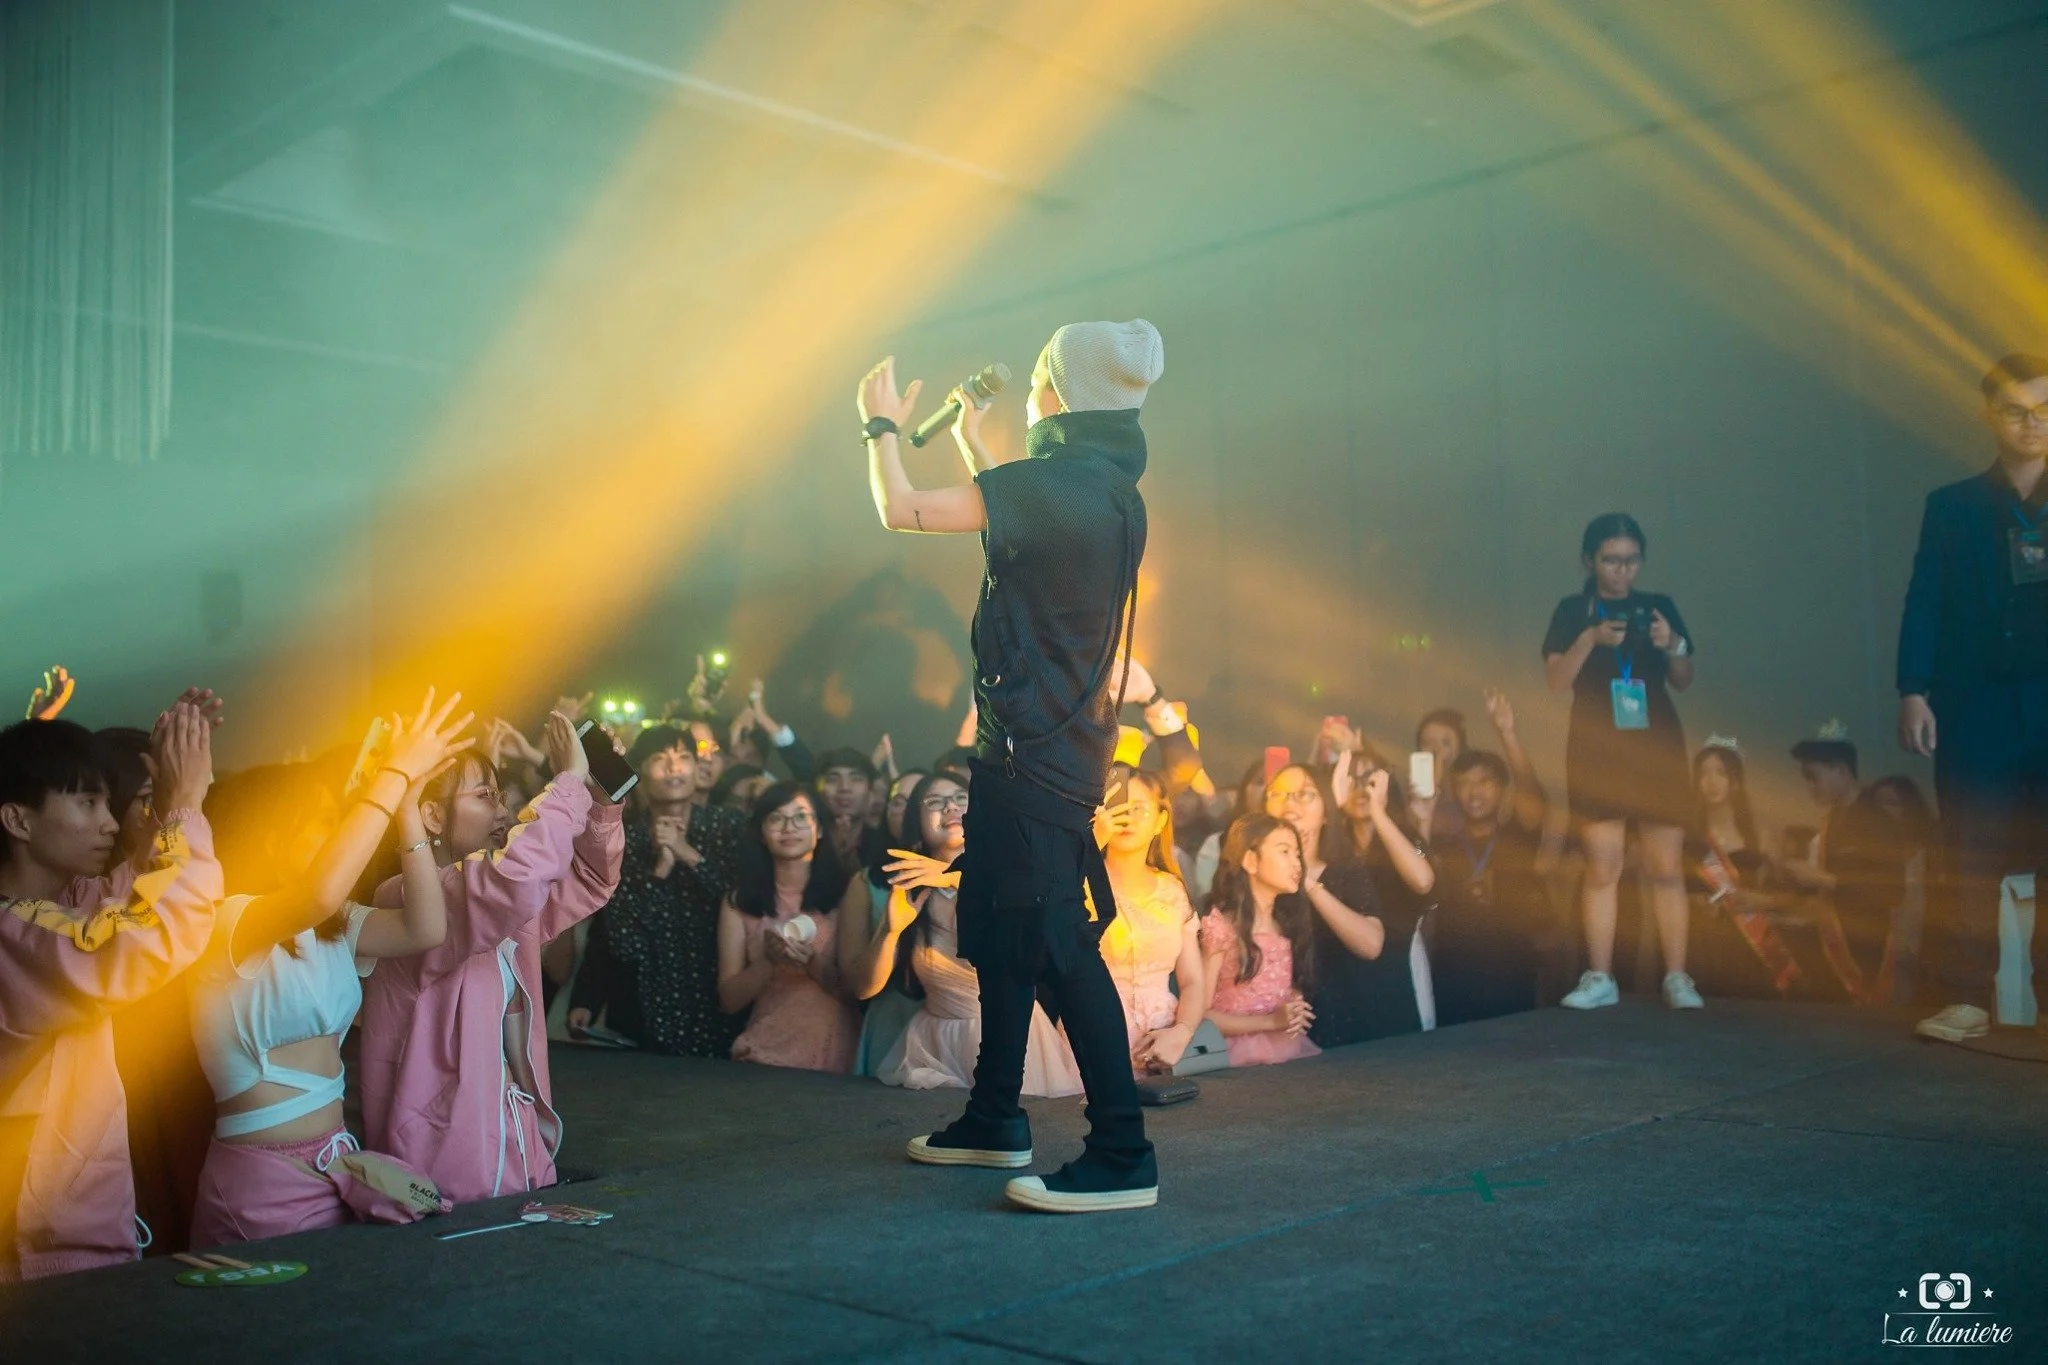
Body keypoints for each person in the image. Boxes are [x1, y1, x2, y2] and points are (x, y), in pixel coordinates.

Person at [858, 318, 1163, 1213]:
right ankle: (996, 1117)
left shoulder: (1058, 487)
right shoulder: (1107, 489)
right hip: (1040, 749)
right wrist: (971, 432)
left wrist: (877, 425)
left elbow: (903, 509)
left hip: (1033, 756)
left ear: (1058, 395)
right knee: (995, 928)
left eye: (1039, 381)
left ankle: (1121, 1151)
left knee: (1061, 949)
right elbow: (1020, 503)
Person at [185, 691, 470, 1248]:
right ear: (269, 833)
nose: (338, 832)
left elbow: (426, 929)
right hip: (258, 1181)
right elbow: (318, 891)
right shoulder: (225, 922)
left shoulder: (332, 922)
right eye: (321, 821)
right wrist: (393, 772)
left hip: (337, 1164)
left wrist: (407, 806)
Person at [356, 711, 623, 1205]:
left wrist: (599, 801)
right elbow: (516, 881)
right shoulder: (406, 898)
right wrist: (566, 783)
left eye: (501, 795)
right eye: (484, 797)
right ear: (431, 816)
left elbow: (588, 878)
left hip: (515, 1146)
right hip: (441, 1165)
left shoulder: (491, 896)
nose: (502, 811)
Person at [0, 701, 220, 1281]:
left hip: (64, 1243)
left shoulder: (62, 906)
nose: (111, 822)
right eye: (87, 803)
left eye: (113, 802)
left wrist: (170, 795)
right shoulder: (14, 932)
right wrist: (183, 808)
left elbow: (137, 894)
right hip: (33, 1260)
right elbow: (143, 935)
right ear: (18, 821)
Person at [1897, 353, 2048, 1043]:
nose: (2033, 423)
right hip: (1973, 703)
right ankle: (1963, 997)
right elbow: (1923, 600)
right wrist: (1913, 690)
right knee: (1968, 852)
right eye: (2017, 410)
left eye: (2045, 409)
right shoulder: (1951, 504)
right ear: (1991, 414)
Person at [1544, 512, 1703, 1012]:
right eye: (1612, 561)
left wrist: (1671, 644)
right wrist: (1591, 638)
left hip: (1655, 746)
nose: (1622, 572)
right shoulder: (1573, 610)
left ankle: (1678, 976)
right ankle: (1601, 975)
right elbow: (1555, 680)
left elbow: (1683, 678)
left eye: (1632, 561)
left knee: (1666, 865)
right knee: (1602, 864)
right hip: (1597, 747)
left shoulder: (1659, 607)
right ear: (1590, 560)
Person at [849, 773, 1080, 1094]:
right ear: (917, 823)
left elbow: (1040, 951)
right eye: (935, 802)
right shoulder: (911, 891)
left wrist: (955, 877)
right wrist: (890, 932)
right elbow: (863, 989)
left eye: (961, 797)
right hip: (934, 1043)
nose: (950, 807)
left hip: (1012, 1037)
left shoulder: (1015, 876)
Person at [582, 725, 747, 1058]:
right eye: (660, 759)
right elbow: (624, 942)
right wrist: (660, 870)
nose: (675, 768)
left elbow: (748, 907)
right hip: (647, 1013)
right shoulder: (622, 840)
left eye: (684, 757)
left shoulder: (728, 826)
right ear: (640, 769)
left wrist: (690, 856)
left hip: (722, 1005)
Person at [717, 782, 863, 1072]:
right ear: (761, 832)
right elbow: (729, 1000)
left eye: (800, 817)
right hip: (764, 1051)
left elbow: (858, 993)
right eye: (776, 818)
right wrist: (769, 961)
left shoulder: (848, 894)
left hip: (834, 1051)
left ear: (819, 829)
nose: (789, 827)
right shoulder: (739, 901)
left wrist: (810, 961)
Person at [1262, 763, 1411, 1045]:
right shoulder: (1254, 875)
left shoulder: (1346, 869)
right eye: (1277, 794)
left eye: (1305, 794)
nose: (1289, 803)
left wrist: (1307, 880)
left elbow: (1370, 945)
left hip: (1349, 1021)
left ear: (1326, 814)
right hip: (1279, 1027)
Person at [1429, 690, 1553, 1027]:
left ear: (1501, 789)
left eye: (1484, 782)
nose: (1474, 792)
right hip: (1453, 978)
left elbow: (1531, 793)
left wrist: (1507, 733)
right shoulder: (1443, 845)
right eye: (1465, 784)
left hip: (1511, 973)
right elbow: (1413, 848)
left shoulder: (1518, 836)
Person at [1092, 769, 1205, 1072]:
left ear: (1160, 821)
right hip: (1094, 1033)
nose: (1127, 817)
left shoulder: (1172, 889)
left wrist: (1181, 1033)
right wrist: (1088, 847)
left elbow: (1193, 980)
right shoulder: (1077, 881)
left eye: (1139, 808)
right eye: (1119, 806)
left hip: (1163, 1042)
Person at [1685, 739, 1802, 1000]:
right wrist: (1696, 902)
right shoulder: (1688, 835)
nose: (1711, 782)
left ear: (1735, 780)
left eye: (1720, 773)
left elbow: (1795, 897)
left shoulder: (1760, 833)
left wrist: (1761, 899)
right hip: (1701, 942)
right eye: (1703, 773)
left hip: (1751, 943)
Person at [1199, 815, 1319, 1066]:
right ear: (1251, 860)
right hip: (1235, 1055)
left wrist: (1293, 1006)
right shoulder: (1221, 928)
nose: (1297, 863)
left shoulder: (1286, 925)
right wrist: (1270, 1021)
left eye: (1297, 854)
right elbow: (1199, 1014)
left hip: (1286, 1048)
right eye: (1284, 852)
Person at [1410, 708, 1469, 845]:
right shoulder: (1411, 790)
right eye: (1428, 743)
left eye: (1446, 743)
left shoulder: (1470, 790)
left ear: (1460, 748)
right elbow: (1416, 834)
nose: (1436, 749)